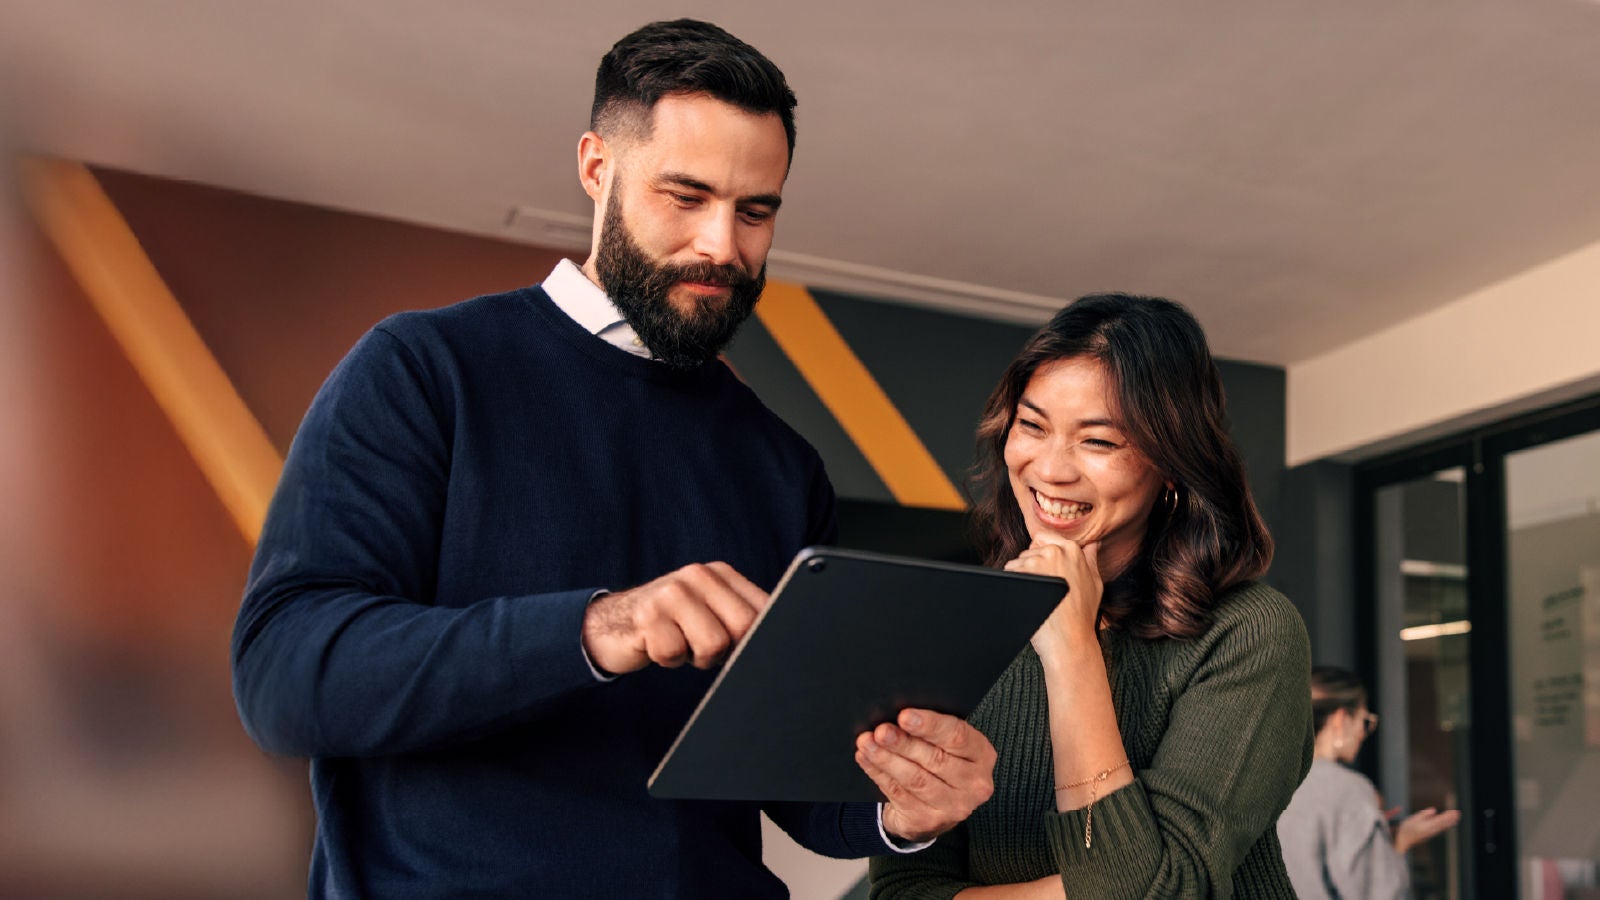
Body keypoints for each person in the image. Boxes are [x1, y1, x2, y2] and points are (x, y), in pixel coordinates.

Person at [230, 19, 996, 898]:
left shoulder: (783, 468)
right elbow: (285, 676)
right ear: (598, 167)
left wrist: (904, 804)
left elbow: (802, 787)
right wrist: (598, 629)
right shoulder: (424, 370)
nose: (722, 244)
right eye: (687, 196)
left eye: (755, 212)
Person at [868, 293, 1314, 898]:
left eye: (1098, 442)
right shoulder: (955, 628)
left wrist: (1071, 645)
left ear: (1173, 462)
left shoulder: (1247, 633)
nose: (1050, 469)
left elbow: (1160, 891)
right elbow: (901, 888)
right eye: (1032, 425)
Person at [1276, 666, 1461, 899]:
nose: (1364, 733)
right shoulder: (1346, 789)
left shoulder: (1262, 782)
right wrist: (1400, 841)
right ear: (1341, 719)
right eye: (1365, 721)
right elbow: (1381, 893)